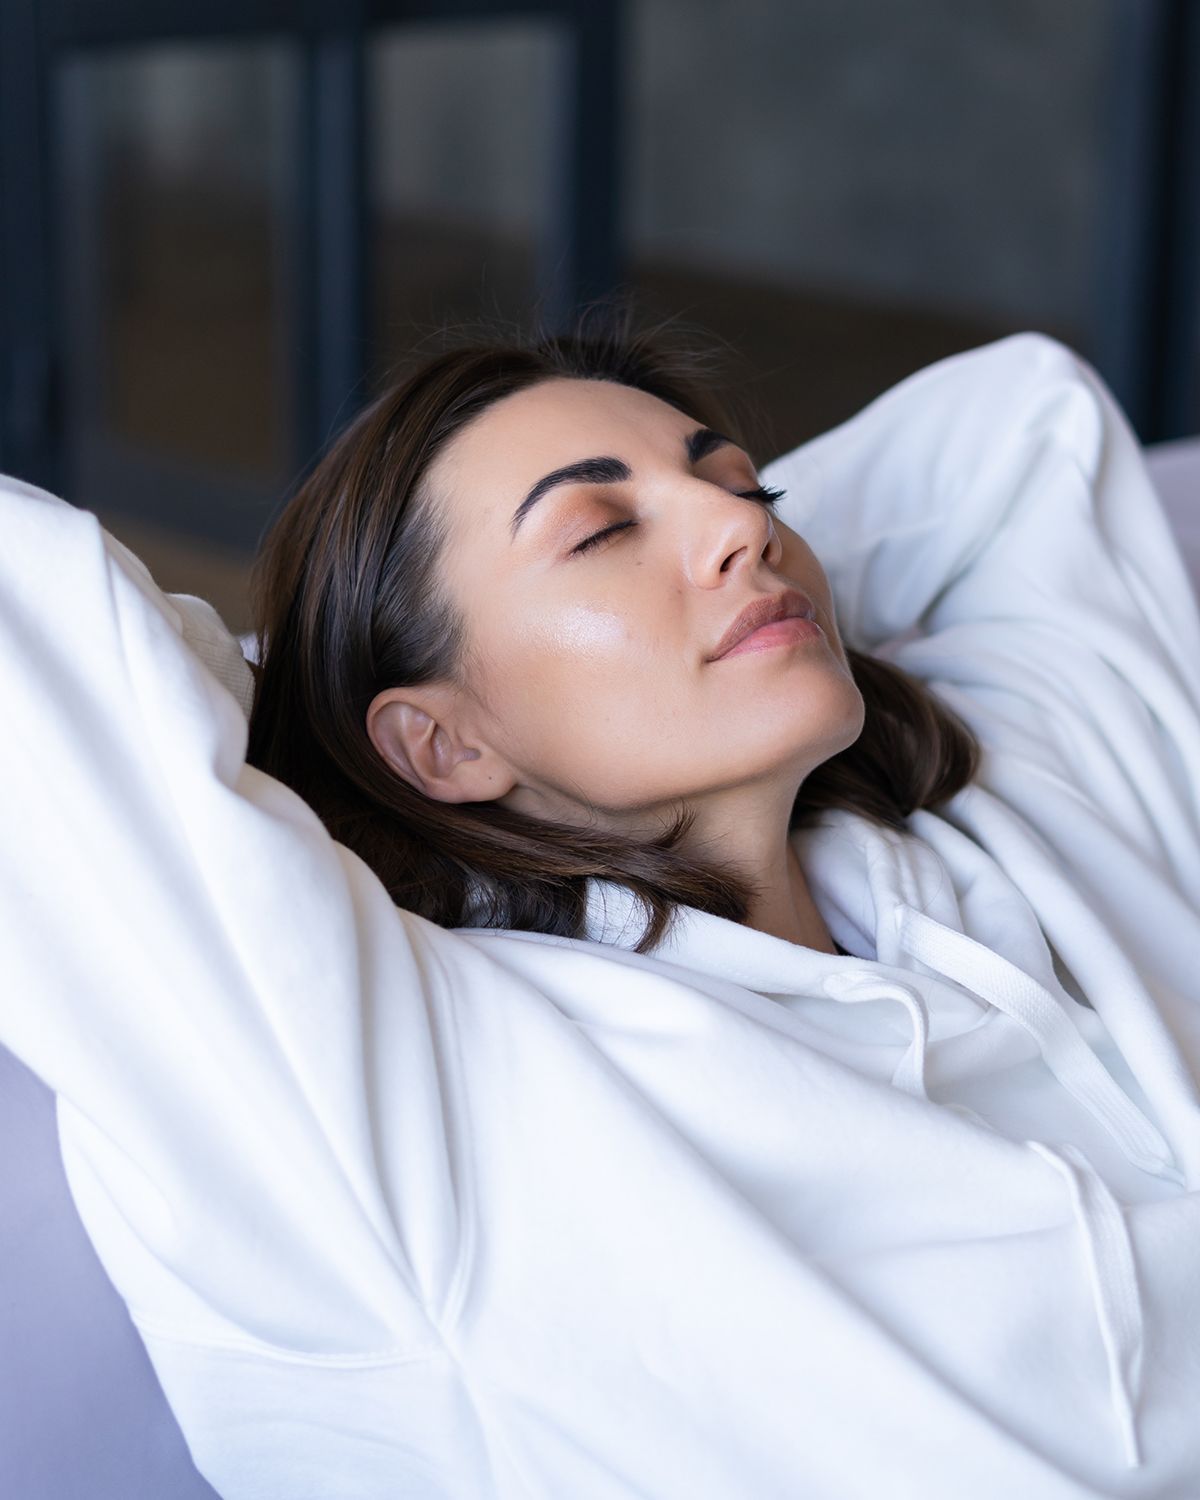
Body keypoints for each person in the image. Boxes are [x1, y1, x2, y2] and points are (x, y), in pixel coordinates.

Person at [2, 306, 1199, 1500]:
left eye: (753, 493)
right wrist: (307, 707)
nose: (745, 525)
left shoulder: (1022, 791)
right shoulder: (415, 1105)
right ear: (440, 742)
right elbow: (41, 640)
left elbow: (1019, 424)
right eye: (599, 531)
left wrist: (709, 583)